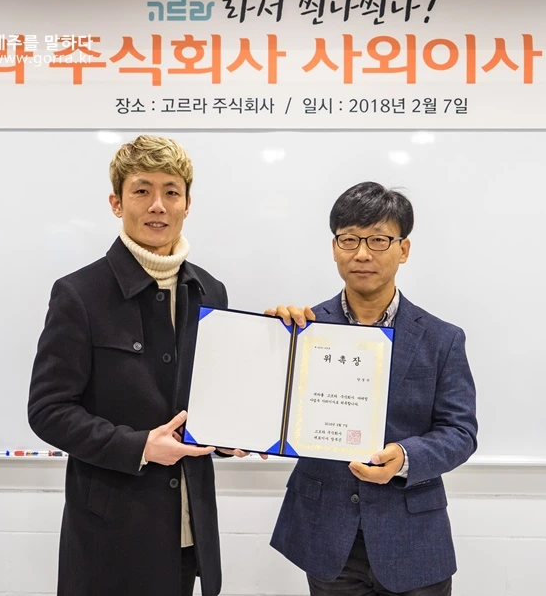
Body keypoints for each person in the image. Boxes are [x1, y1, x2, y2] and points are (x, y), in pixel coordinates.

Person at [28, 135, 248, 596]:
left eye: (171, 192)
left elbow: (210, 396)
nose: (157, 205)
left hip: (188, 530)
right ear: (117, 202)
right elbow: (48, 410)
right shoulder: (79, 294)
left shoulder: (210, 291)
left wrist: (231, 435)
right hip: (111, 535)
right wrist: (140, 446)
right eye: (142, 190)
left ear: (187, 204)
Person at [267, 181, 478, 596]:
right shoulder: (303, 330)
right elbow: (270, 414)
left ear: (403, 249)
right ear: (334, 248)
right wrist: (271, 342)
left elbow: (460, 433)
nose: (362, 253)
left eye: (379, 240)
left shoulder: (442, 339)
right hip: (327, 536)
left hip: (413, 538)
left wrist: (404, 456)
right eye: (349, 239)